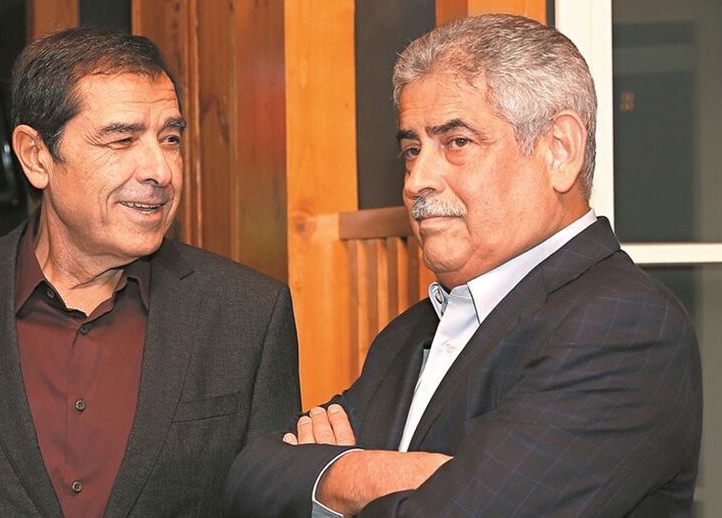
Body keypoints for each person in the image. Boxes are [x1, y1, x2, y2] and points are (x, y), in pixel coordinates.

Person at [224, 13, 702, 517]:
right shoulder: (410, 333)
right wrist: (373, 472)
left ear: (559, 151)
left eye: (457, 143)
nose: (416, 180)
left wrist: (329, 475)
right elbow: (249, 478)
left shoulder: (623, 327)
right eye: (412, 149)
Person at [0, 27, 299, 517]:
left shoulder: (247, 315)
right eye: (122, 140)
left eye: (170, 139)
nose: (160, 171)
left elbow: (273, 503)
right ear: (37, 157)